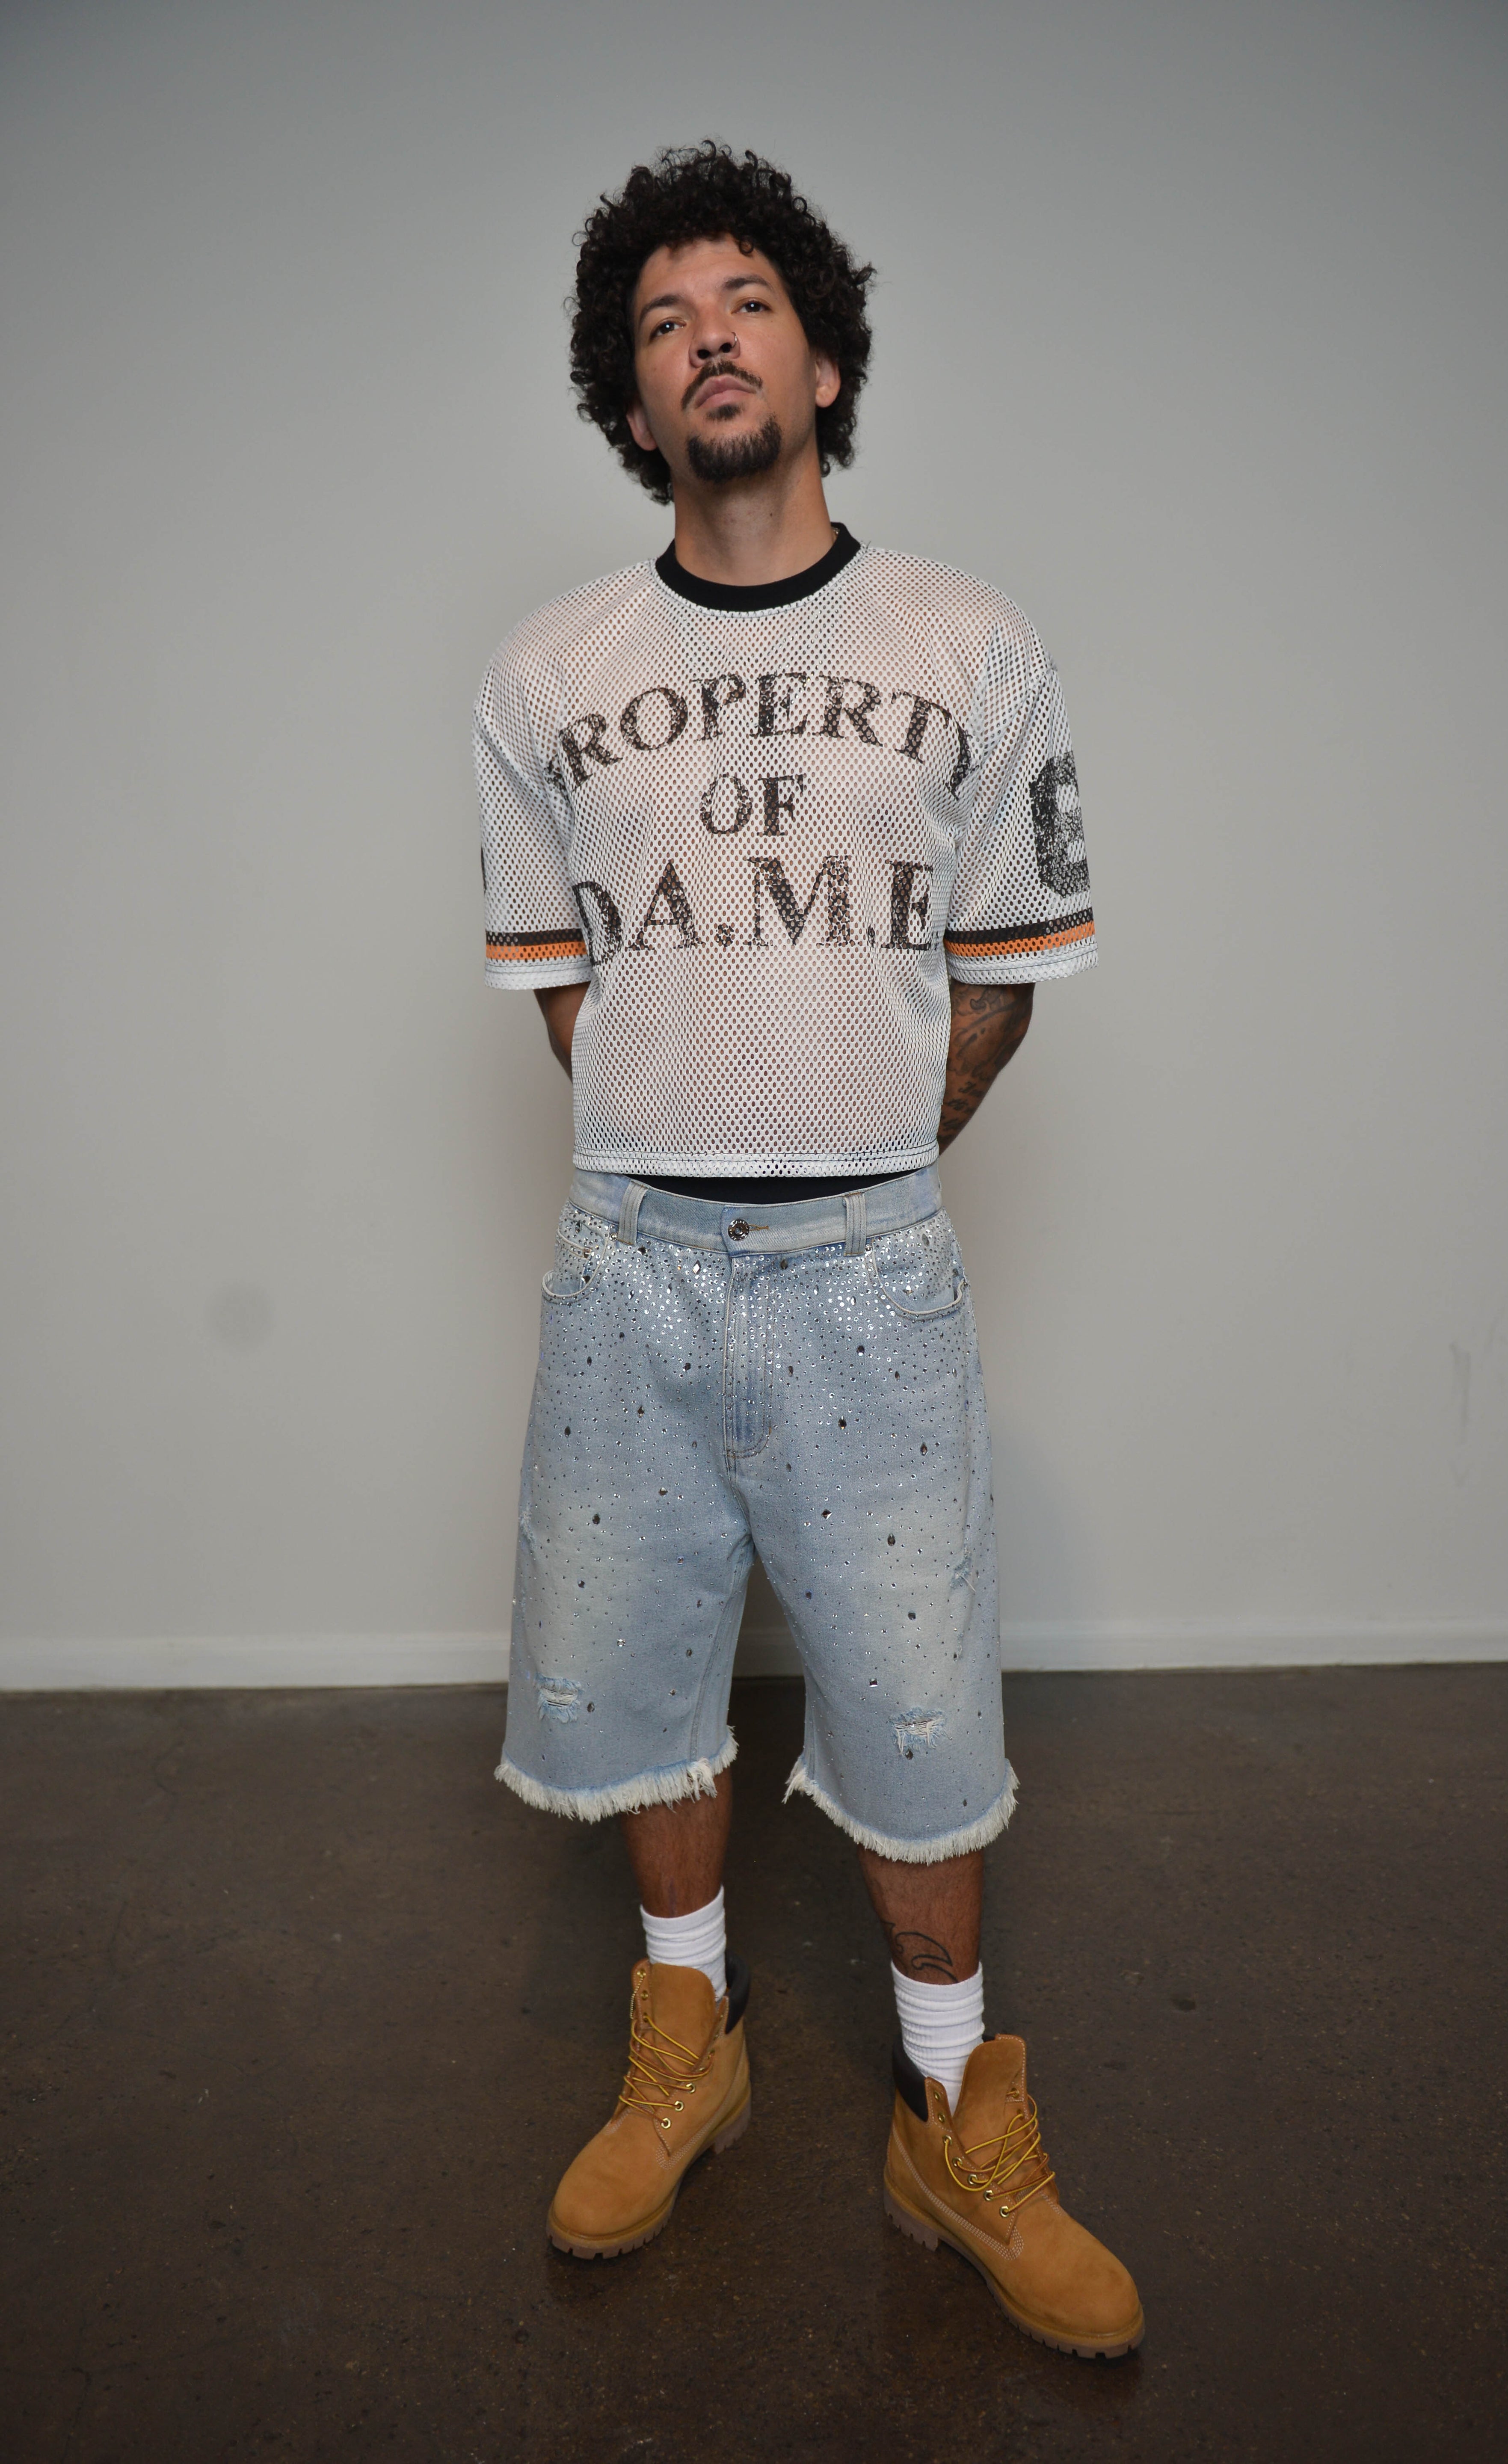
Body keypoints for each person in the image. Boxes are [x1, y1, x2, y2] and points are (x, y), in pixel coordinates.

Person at [473, 141, 1142, 2361]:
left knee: (920, 1704)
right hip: (630, 1272)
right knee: (632, 1668)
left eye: (745, 302)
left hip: (871, 1272)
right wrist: (691, 1140)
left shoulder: (970, 644)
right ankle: (690, 2038)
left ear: (824, 359)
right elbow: (569, 997)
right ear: (631, 404)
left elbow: (1006, 966)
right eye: (663, 324)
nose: (709, 341)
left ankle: (956, 2117)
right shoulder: (545, 674)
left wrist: (852, 1150)